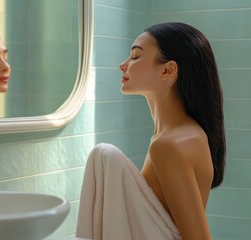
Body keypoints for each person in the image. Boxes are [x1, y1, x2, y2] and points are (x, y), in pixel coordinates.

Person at [76, 22, 225, 240]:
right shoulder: (176, 135)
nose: (123, 65)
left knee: (105, 153)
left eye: (135, 56)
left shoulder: (169, 144)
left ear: (168, 70)